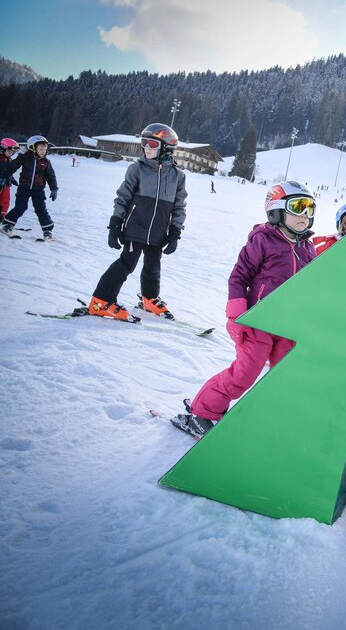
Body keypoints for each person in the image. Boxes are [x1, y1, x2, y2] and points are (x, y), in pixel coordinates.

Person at [174, 180, 318, 437]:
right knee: (244, 375)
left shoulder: (308, 248)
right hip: (258, 322)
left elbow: (312, 287)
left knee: (285, 376)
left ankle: (273, 419)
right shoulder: (263, 240)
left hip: (288, 326)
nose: (305, 214)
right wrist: (237, 316)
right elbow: (239, 277)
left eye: (310, 208)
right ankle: (201, 412)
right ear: (276, 209)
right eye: (298, 206)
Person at [86, 124, 187, 320]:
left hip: (158, 231)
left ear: (166, 148)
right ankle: (101, 301)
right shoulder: (137, 169)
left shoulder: (177, 176)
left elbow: (179, 207)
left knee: (153, 266)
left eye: (152, 144)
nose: (146, 147)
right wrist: (115, 224)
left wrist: (175, 233)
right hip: (135, 228)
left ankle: (149, 299)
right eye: (144, 143)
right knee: (127, 263)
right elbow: (123, 197)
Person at [1, 135, 58, 241]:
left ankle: (47, 231)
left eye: (45, 149)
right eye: (41, 149)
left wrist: (54, 188)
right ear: (32, 147)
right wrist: (4, 177)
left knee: (41, 209)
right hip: (24, 188)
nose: (43, 152)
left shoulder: (46, 162)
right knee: (20, 207)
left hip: (38, 190)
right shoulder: (24, 157)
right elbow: (12, 167)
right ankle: (7, 225)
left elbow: (51, 176)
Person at [0, 137, 20, 222]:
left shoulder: (10, 160)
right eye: (9, 151)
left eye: (12, 152)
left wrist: (12, 179)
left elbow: (8, 171)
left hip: (6, 185)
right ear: (2, 149)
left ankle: (1, 216)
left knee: (5, 201)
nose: (10, 154)